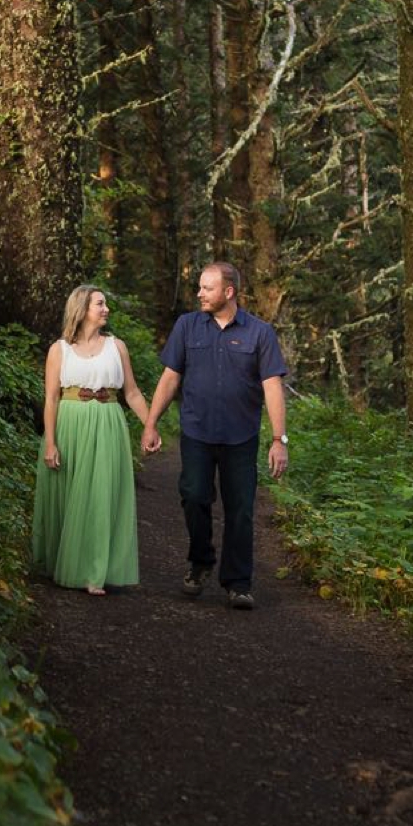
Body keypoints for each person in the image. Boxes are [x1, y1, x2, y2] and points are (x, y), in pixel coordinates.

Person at [141, 261, 287, 610]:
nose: (199, 293)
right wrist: (150, 422)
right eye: (200, 287)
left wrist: (278, 440)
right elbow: (170, 378)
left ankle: (238, 582)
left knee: (240, 510)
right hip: (197, 432)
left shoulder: (259, 333)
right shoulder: (187, 326)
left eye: (207, 288)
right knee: (193, 496)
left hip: (241, 437)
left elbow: (272, 388)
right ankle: (201, 561)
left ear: (229, 292)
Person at [32, 285, 153, 595]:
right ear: (82, 308)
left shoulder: (118, 346)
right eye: (100, 304)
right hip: (70, 424)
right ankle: (66, 562)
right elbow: (51, 400)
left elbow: (132, 393)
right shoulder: (59, 350)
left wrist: (150, 425)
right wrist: (51, 443)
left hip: (108, 423)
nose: (106, 309)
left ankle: (95, 571)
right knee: (70, 495)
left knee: (101, 495)